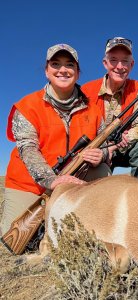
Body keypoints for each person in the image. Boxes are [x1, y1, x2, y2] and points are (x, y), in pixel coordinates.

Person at [0, 43, 111, 237]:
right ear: (46, 71)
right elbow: (28, 150)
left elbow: (107, 146)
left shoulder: (93, 109)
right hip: (30, 184)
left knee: (102, 171)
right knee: (13, 237)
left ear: (77, 73)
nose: (63, 70)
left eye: (69, 65)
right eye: (56, 64)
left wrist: (101, 154)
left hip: (74, 178)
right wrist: (52, 181)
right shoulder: (27, 106)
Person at [81, 37, 138, 182]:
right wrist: (102, 150)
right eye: (114, 60)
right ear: (105, 63)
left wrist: (118, 143)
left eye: (125, 61)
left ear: (132, 64)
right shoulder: (86, 90)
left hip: (123, 149)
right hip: (96, 150)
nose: (120, 66)